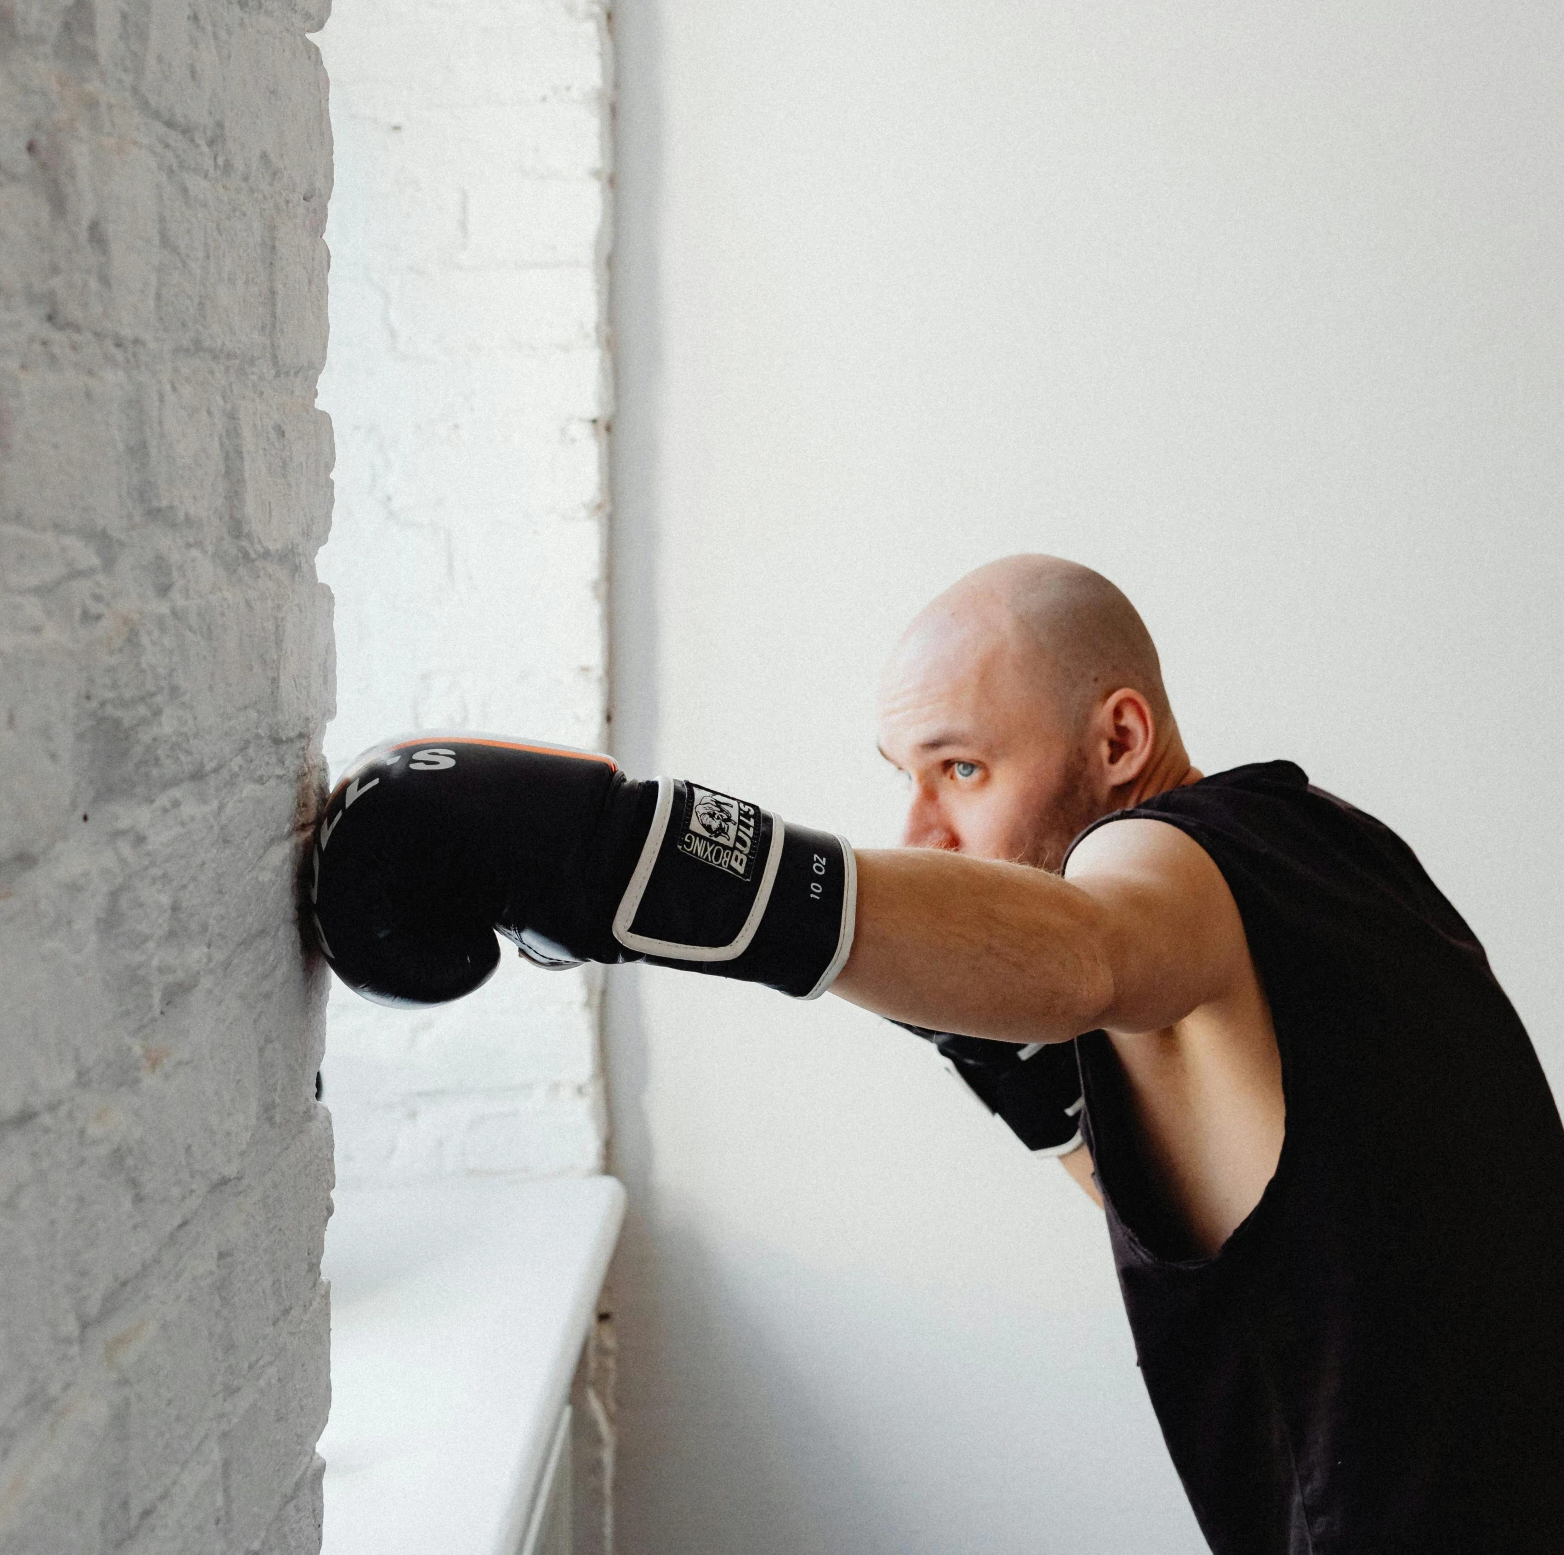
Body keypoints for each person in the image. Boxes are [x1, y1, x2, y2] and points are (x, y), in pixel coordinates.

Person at [308, 555, 1564, 1555]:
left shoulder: (1173, 854)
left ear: (1118, 740)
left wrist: (613, 858)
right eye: (903, 777)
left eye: (961, 766)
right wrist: (1004, 1062)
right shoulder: (1329, 851)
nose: (921, 826)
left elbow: (1083, 948)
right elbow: (1260, 1249)